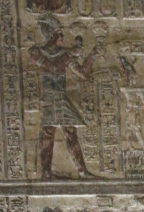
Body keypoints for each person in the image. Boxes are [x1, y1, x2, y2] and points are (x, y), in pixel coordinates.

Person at [29, 15, 100, 179]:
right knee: (48, 133)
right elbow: (53, 67)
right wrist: (70, 54)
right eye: (59, 33)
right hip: (49, 98)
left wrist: (92, 55)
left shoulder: (64, 53)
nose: (62, 37)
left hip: (61, 98)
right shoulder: (36, 52)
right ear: (50, 34)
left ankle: (82, 171)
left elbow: (83, 73)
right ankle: (46, 173)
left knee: (70, 132)